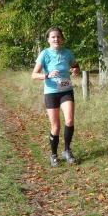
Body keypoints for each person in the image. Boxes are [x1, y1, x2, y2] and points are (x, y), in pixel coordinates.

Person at [32, 27, 80, 167]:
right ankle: (53, 154)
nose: (56, 39)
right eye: (53, 37)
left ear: (62, 39)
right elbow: (34, 75)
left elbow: (76, 66)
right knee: (56, 126)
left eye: (58, 36)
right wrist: (47, 75)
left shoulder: (67, 53)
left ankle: (67, 150)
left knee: (69, 120)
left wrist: (76, 70)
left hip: (66, 90)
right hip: (51, 92)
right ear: (48, 40)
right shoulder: (44, 54)